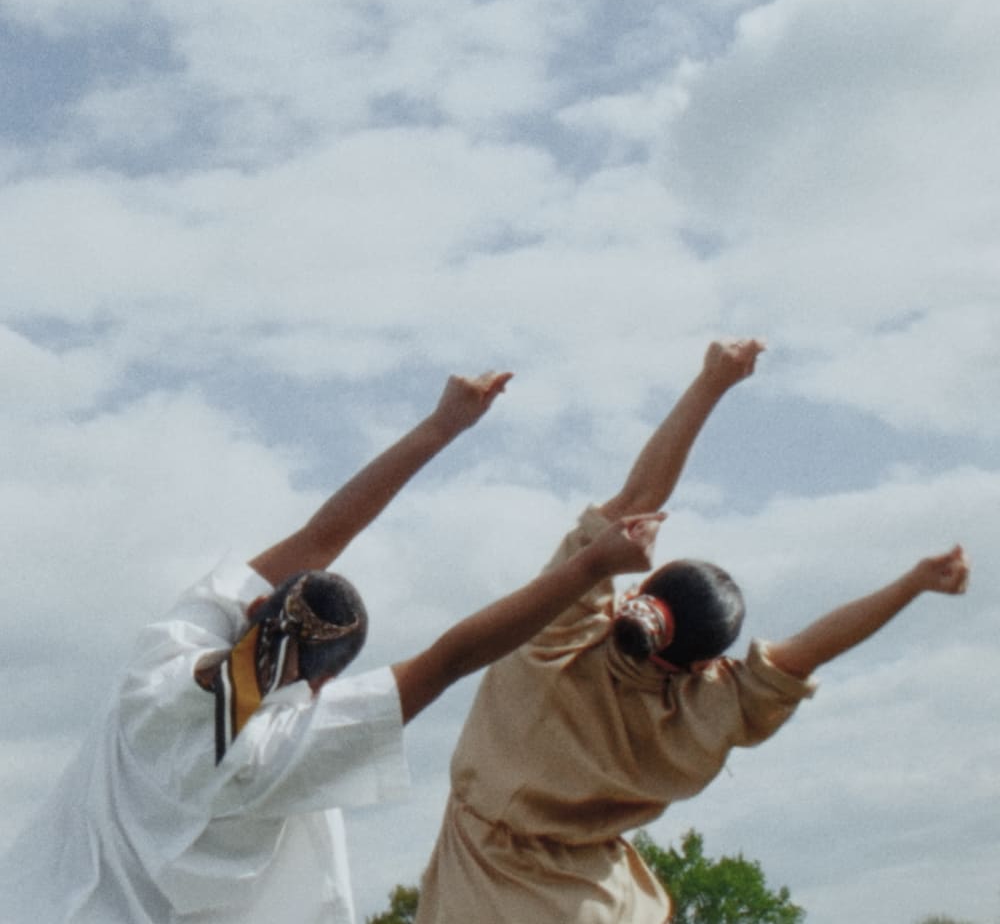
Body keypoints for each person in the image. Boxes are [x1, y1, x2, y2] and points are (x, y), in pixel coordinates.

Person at [0, 369, 665, 924]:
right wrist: (589, 569)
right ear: (319, 686)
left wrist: (443, 424)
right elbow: (451, 659)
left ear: (256, 607)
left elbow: (320, 537)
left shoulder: (162, 658)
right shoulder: (283, 751)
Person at [415, 340, 971, 924]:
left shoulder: (555, 640)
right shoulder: (707, 711)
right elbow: (807, 653)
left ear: (637, 591)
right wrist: (913, 583)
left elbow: (637, 500)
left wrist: (713, 380)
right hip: (610, 906)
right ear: (703, 663)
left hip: (488, 894)